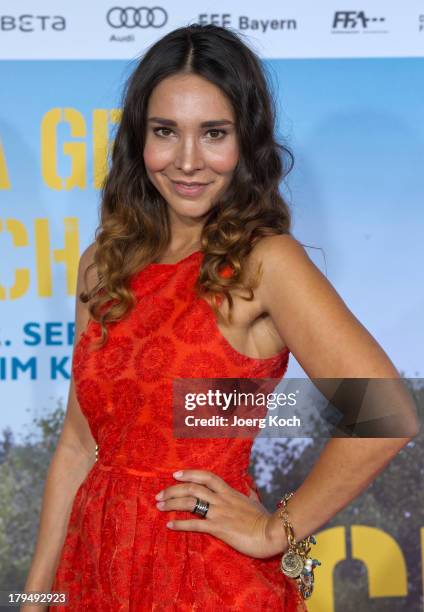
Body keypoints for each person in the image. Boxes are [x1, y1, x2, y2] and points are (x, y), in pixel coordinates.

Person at [22, 24, 416, 611]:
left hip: (201, 577)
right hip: (95, 571)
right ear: (139, 140)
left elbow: (385, 413)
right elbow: (80, 444)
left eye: (213, 133)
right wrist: (35, 595)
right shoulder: (101, 266)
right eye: (165, 132)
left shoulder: (264, 263)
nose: (187, 161)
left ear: (246, 141)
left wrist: (272, 531)